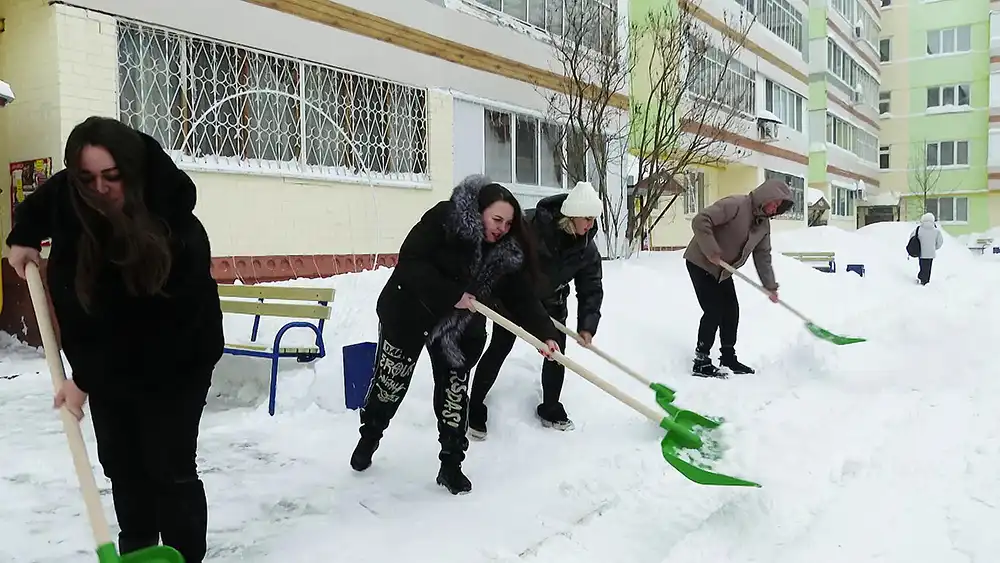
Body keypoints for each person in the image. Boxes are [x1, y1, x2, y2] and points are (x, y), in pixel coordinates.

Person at [6, 116, 224, 562]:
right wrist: (24, 236)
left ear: (133, 171)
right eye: (87, 178)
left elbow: (146, 331)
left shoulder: (176, 230)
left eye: (111, 177)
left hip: (176, 359)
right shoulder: (76, 192)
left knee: (169, 466)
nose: (99, 189)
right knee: (124, 467)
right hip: (105, 359)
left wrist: (83, 381)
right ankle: (138, 551)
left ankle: (183, 557)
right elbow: (44, 201)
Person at [350, 174, 562, 495]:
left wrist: (546, 334)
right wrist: (453, 293)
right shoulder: (444, 220)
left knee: (453, 394)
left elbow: (521, 297)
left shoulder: (503, 251)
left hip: (456, 330)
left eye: (508, 223)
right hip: (409, 311)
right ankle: (370, 437)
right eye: (497, 219)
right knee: (389, 386)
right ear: (479, 212)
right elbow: (411, 264)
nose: (502, 228)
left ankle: (451, 465)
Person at [468, 181, 604, 439]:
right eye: (587, 218)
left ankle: (550, 408)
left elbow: (591, 287)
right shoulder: (531, 226)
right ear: (572, 215)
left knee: (556, 353)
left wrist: (587, 325)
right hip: (515, 297)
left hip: (552, 300)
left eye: (593, 219)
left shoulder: (587, 247)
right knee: (500, 346)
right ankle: (474, 405)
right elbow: (499, 259)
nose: (591, 224)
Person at [682, 178, 794, 378]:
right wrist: (711, 249)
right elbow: (701, 220)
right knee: (714, 309)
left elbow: (763, 256)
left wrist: (770, 286)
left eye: (779, 206)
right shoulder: (736, 204)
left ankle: (727, 357)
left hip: (723, 270)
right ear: (766, 196)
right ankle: (701, 360)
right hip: (700, 261)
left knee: (731, 310)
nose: (776, 207)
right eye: (775, 202)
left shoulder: (763, 226)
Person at [915, 212, 944, 285]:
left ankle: (921, 278)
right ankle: (926, 280)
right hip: (930, 253)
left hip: (921, 252)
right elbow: (940, 242)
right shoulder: (936, 231)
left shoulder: (919, 229)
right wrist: (934, 248)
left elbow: (912, 238)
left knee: (922, 265)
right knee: (928, 267)